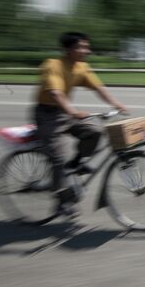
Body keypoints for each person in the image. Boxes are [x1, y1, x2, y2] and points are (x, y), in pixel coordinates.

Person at [34, 32, 128, 217]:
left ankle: (75, 163)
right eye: (81, 47)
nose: (87, 50)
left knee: (95, 131)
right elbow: (56, 93)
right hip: (47, 114)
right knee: (57, 158)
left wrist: (116, 104)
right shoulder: (53, 65)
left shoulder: (81, 67)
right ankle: (60, 202)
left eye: (87, 47)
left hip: (65, 112)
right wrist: (73, 112)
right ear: (68, 49)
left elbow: (99, 88)